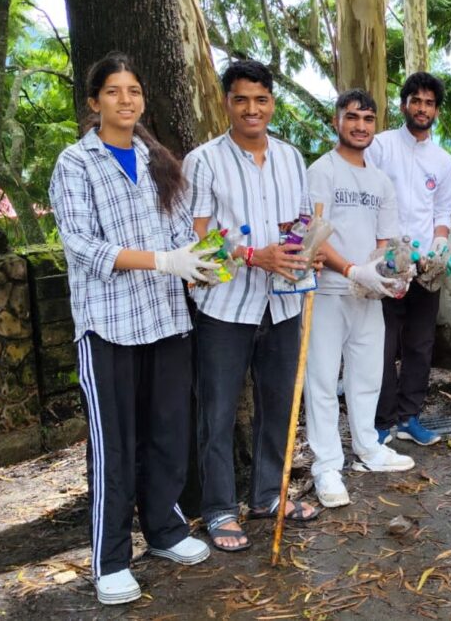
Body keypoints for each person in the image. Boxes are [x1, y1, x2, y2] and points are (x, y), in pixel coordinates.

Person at [50, 52, 213, 605]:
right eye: (114, 91)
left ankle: (165, 530)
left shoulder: (157, 159)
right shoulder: (76, 163)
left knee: (167, 435)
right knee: (114, 446)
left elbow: (181, 236)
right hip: (109, 326)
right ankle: (111, 559)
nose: (126, 100)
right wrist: (161, 261)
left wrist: (199, 263)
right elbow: (80, 244)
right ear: (93, 102)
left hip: (166, 320)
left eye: (134, 91)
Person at [185, 59, 320, 553]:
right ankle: (220, 509)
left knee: (279, 406)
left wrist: (306, 253)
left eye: (261, 99)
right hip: (224, 306)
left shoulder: (290, 158)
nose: (251, 109)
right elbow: (195, 240)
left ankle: (268, 496)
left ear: (272, 103)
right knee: (218, 411)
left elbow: (301, 224)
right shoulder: (203, 161)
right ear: (226, 102)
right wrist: (250, 255)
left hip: (283, 303)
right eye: (241, 99)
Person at [304, 89, 416, 509]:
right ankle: (326, 466)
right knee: (321, 379)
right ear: (337, 121)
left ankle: (368, 447)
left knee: (368, 374)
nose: (360, 126)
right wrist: (352, 269)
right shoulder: (322, 171)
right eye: (352, 117)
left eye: (368, 119)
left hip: (367, 294)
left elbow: (385, 240)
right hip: (326, 290)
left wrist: (389, 273)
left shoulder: (380, 180)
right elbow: (314, 233)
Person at [366, 72, 451, 446]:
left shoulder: (443, 160)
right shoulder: (380, 146)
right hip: (385, 263)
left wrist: (439, 246)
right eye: (415, 101)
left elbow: (443, 212)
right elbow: (368, 197)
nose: (422, 108)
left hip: (425, 267)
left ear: (436, 110)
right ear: (404, 105)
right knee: (383, 343)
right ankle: (381, 422)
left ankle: (410, 417)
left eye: (429, 103)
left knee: (420, 343)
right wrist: (382, 251)